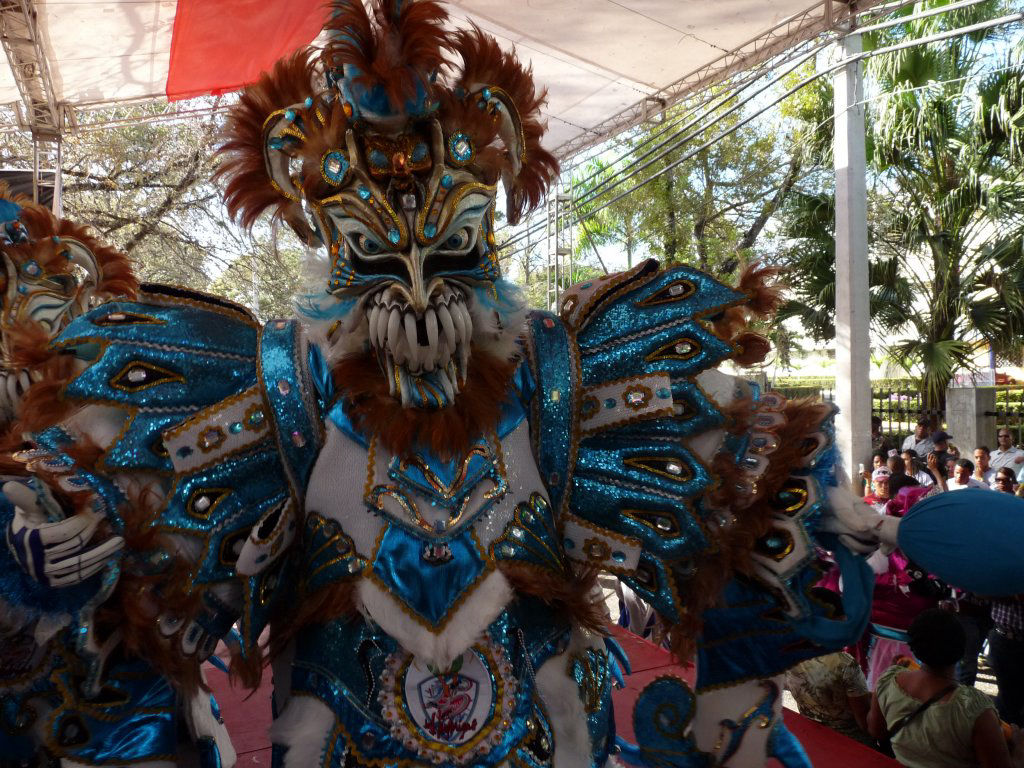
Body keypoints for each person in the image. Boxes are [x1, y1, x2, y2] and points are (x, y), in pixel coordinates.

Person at [868, 608, 1024, 768]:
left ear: (914, 645)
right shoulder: (974, 709)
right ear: (961, 649)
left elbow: (876, 731)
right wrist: (1019, 750)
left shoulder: (888, 680)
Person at [785, 651, 874, 748]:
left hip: (810, 731)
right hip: (849, 740)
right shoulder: (844, 663)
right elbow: (865, 723)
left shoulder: (788, 652)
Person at [989, 598, 1024, 728]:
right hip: (1004, 638)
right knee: (1007, 695)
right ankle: (1006, 737)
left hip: (1007, 639)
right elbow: (982, 593)